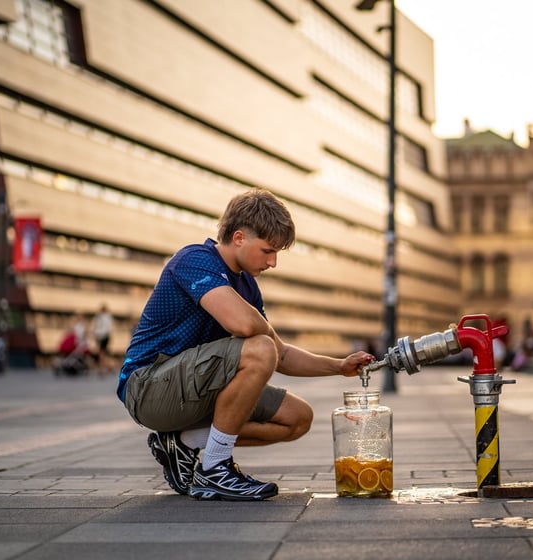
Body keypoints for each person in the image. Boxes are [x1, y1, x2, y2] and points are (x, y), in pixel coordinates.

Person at [116, 189, 375, 501]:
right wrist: (267, 336)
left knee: (297, 418)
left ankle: (183, 441)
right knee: (260, 348)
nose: (273, 262)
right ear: (238, 237)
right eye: (267, 251)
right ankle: (214, 469)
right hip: (148, 389)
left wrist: (339, 366)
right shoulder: (194, 260)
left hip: (192, 389)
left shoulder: (246, 285)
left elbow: (282, 355)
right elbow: (246, 329)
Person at [91, 303, 114, 375]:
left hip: (102, 336)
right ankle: (108, 367)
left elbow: (101, 328)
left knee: (101, 353)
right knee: (104, 353)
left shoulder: (103, 317)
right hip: (103, 336)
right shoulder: (106, 317)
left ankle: (103, 368)